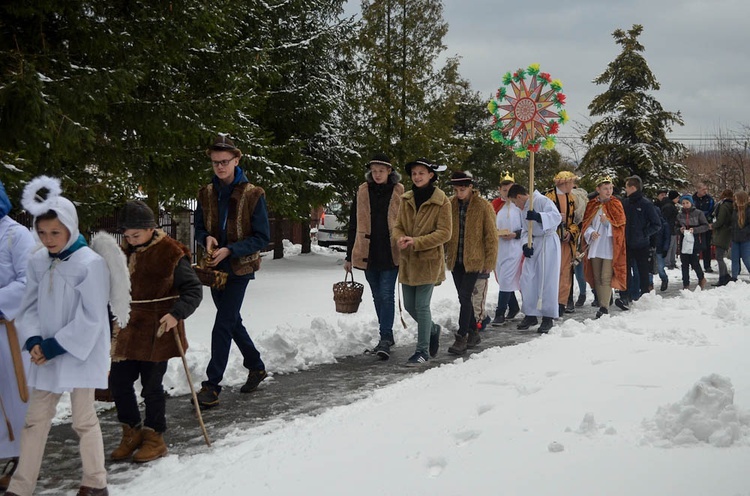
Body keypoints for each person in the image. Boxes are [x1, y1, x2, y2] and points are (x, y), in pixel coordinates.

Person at [7, 176, 127, 496]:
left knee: (83, 420)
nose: (48, 239)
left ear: (70, 228)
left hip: (77, 354)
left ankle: (95, 481)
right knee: (35, 420)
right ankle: (22, 486)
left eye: (55, 233)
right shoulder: (37, 261)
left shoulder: (90, 263)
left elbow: (91, 317)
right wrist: (33, 340)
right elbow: (28, 305)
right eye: (43, 233)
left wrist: (55, 345)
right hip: (44, 354)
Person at [108, 201, 202, 463]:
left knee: (151, 387)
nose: (130, 240)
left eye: (135, 235)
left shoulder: (171, 252)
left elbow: (193, 290)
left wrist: (175, 314)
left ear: (151, 229)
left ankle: (154, 437)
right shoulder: (121, 253)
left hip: (157, 330)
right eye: (126, 235)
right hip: (126, 330)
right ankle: (132, 431)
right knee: (119, 383)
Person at [194, 135, 271, 408]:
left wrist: (231, 249)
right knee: (232, 321)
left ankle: (211, 386)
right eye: (215, 162)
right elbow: (200, 227)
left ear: (237, 160)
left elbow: (262, 237)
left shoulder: (253, 194)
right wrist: (207, 240)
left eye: (225, 161)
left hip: (240, 267)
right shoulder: (205, 193)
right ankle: (256, 365)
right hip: (215, 268)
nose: (220, 167)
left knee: (223, 324)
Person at [392, 158, 451, 366]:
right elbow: (398, 225)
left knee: (422, 305)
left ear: (431, 175)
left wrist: (417, 242)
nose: (417, 177)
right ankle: (433, 329)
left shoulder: (441, 200)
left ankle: (422, 351)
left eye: (421, 173)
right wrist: (398, 238)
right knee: (409, 306)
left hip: (428, 260)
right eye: (414, 173)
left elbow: (445, 233)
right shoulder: (406, 198)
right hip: (408, 261)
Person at [344, 153, 404, 360]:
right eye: (374, 171)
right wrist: (348, 255)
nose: (377, 174)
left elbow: (406, 222)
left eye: (381, 170)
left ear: (389, 171)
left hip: (390, 251)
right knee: (377, 295)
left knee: (387, 295)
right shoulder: (362, 191)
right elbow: (353, 223)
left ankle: (385, 337)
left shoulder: (399, 191)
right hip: (367, 251)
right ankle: (387, 334)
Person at [0, 181, 34, 491]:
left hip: (7, 330)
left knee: (14, 393)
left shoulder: (16, 235)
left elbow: (28, 282)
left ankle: (22, 460)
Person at [444, 172, 498, 355]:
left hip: (475, 260)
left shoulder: (483, 206)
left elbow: (491, 235)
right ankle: (474, 331)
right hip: (455, 258)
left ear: (470, 188)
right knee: (462, 297)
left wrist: (490, 260)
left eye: (463, 189)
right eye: (456, 189)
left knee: (466, 296)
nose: (459, 193)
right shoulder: (449, 205)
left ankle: (462, 336)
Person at [508, 184, 562, 333]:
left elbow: (556, 217)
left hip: (547, 242)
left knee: (547, 279)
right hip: (534, 243)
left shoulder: (541, 201)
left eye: (514, 202)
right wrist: (525, 245)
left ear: (519, 197)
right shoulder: (522, 209)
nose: (515, 205)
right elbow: (525, 230)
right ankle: (531, 313)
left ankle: (547, 317)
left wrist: (539, 217)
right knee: (527, 278)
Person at [580, 176, 627, 319]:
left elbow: (620, 227)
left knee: (605, 277)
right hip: (595, 246)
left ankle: (604, 307)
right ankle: (603, 302)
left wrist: (607, 224)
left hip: (609, 247)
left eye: (611, 188)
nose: (609, 191)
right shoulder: (592, 205)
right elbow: (586, 225)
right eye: (605, 188)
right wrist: (590, 232)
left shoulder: (616, 204)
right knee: (597, 277)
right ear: (598, 189)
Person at [618, 175, 661, 308]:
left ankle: (644, 296)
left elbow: (657, 224)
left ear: (632, 187)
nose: (625, 190)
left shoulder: (646, 204)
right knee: (625, 271)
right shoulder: (625, 203)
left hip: (641, 244)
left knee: (642, 271)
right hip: (626, 243)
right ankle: (624, 296)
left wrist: (644, 234)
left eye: (626, 187)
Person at [544, 171, 579, 318]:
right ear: (564, 183)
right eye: (571, 182)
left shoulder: (572, 198)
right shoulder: (547, 198)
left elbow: (577, 222)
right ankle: (549, 303)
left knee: (565, 273)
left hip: (565, 244)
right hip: (551, 242)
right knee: (551, 273)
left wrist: (570, 233)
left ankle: (561, 303)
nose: (573, 185)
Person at [492, 178, 522, 325]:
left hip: (515, 248)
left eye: (510, 190)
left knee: (506, 279)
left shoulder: (520, 207)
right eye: (504, 190)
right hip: (499, 248)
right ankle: (514, 306)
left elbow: (528, 228)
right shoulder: (495, 206)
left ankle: (500, 313)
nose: (507, 193)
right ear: (500, 190)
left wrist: (515, 234)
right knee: (503, 279)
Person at [676, 195, 709, 290]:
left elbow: (705, 226)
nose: (685, 205)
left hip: (695, 240)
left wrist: (695, 230)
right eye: (683, 203)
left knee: (695, 262)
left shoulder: (698, 213)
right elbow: (675, 228)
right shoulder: (679, 215)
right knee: (684, 263)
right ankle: (685, 284)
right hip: (684, 240)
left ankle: (701, 278)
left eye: (687, 203)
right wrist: (680, 230)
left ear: (691, 203)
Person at [570, 180, 590, 308]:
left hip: (583, 239)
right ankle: (573, 296)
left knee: (583, 272)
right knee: (576, 272)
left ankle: (586, 293)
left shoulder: (584, 203)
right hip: (570, 238)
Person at [710, 189, 733, 287]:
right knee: (720, 256)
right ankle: (725, 276)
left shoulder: (723, 206)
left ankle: (723, 277)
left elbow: (720, 220)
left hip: (722, 233)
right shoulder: (732, 205)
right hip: (727, 232)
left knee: (719, 256)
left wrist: (713, 225)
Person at [692, 182, 715, 273]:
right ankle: (694, 264)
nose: (705, 191)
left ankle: (707, 265)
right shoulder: (693, 199)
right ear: (698, 189)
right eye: (703, 189)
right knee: (695, 245)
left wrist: (708, 220)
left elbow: (712, 211)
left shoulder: (709, 199)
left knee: (707, 245)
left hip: (706, 224)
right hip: (695, 224)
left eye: (706, 189)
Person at [730, 190, 750, 281]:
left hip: (746, 238)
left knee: (746, 258)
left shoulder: (748, 210)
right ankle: (734, 277)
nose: (735, 201)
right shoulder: (734, 209)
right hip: (735, 238)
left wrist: (744, 231)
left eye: (737, 199)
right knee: (734, 258)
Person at [662, 191, 680, 269]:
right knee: (670, 246)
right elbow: (667, 218)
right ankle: (668, 262)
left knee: (673, 246)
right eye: (677, 198)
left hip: (672, 228)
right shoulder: (669, 206)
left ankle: (671, 261)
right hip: (670, 228)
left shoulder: (671, 205)